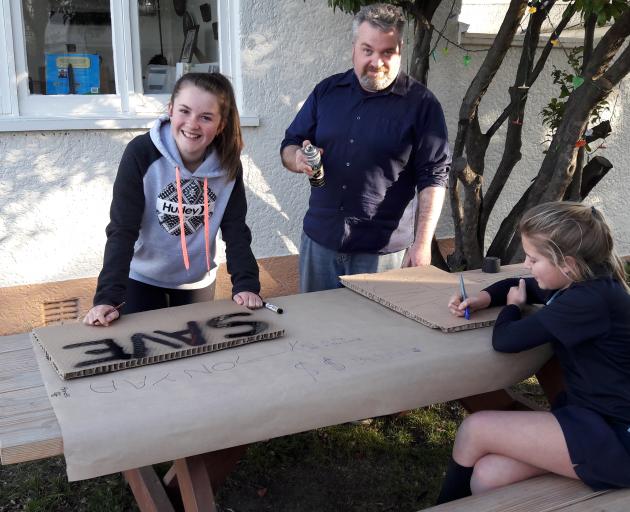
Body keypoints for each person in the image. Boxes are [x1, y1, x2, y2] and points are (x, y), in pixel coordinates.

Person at [438, 201, 630, 503]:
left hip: (615, 438)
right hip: (592, 419)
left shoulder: (587, 302)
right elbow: (518, 283)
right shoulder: (581, 279)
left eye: (533, 258)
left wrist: (513, 307)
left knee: (475, 430)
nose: (527, 265)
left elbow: (506, 340)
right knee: (490, 475)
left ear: (566, 262)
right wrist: (482, 299)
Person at [280, 3, 450, 293]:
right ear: (354, 49)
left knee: (378, 337)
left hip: (382, 253)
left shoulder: (422, 105)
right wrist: (296, 158)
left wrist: (422, 245)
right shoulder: (327, 92)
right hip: (320, 241)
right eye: (368, 50)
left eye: (387, 52)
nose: (377, 61)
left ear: (400, 50)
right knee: (315, 330)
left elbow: (434, 177)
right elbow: (289, 144)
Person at [84, 72, 262, 326]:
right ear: (170, 110)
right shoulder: (141, 153)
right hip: (141, 279)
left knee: (195, 358)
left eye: (206, 117)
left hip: (196, 283)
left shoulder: (228, 166)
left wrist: (246, 284)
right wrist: (107, 298)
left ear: (221, 124)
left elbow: (235, 229)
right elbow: (122, 229)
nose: (192, 124)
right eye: (185, 111)